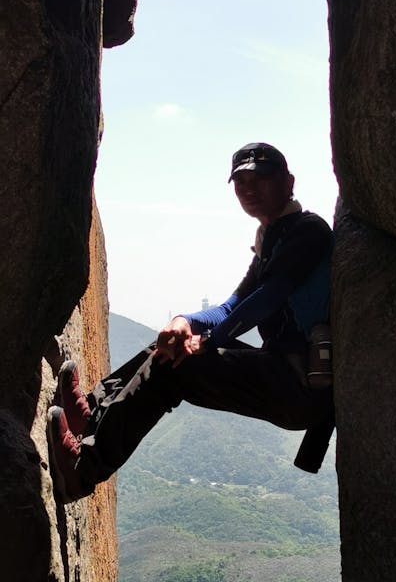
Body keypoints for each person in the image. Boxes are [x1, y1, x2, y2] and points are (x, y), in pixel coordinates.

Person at [47, 143, 334, 503]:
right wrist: (184, 323)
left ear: (288, 182)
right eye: (240, 181)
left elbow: (267, 299)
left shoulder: (308, 231)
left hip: (302, 385)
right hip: (284, 373)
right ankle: (93, 415)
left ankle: (81, 473)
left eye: (261, 178)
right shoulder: (272, 238)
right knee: (168, 345)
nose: (249, 188)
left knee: (176, 367)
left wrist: (209, 342)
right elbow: (232, 307)